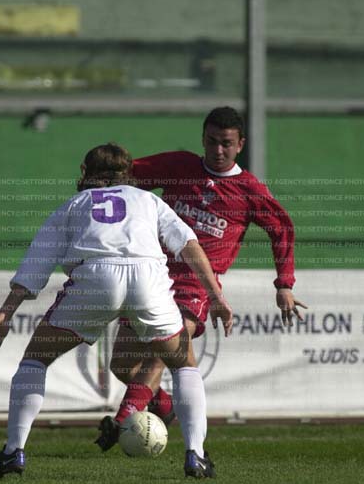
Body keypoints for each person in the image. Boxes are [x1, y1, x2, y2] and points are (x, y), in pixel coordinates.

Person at [0, 143, 233, 481]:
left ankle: (13, 452)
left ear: (85, 172)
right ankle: (196, 455)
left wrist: (5, 313)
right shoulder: (148, 200)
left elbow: (36, 263)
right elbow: (188, 245)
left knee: (35, 360)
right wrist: (216, 296)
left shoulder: (73, 205)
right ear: (128, 173)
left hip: (96, 277)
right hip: (147, 279)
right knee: (183, 364)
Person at [95, 107, 307, 451]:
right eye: (211, 141)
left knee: (163, 348)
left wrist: (284, 283)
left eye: (226, 143)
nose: (218, 150)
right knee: (122, 365)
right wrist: (97, 180)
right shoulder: (179, 167)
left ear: (240, 144)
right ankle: (163, 407)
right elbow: (129, 176)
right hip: (151, 275)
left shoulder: (248, 190)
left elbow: (281, 228)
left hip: (196, 286)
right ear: (203, 139)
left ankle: (122, 421)